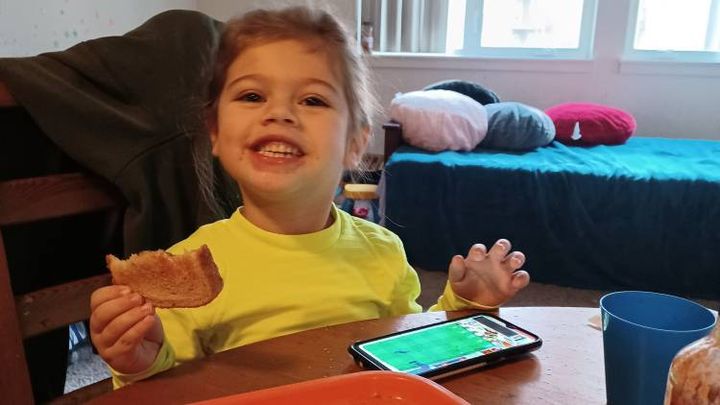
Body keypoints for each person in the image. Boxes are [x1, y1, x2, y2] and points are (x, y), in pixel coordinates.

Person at [89, 6, 530, 388]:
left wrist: (463, 306)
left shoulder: (382, 251)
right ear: (216, 133)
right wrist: (138, 361)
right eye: (252, 95)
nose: (279, 112)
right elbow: (169, 390)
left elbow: (408, 358)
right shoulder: (188, 270)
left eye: (313, 100)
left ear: (355, 143)